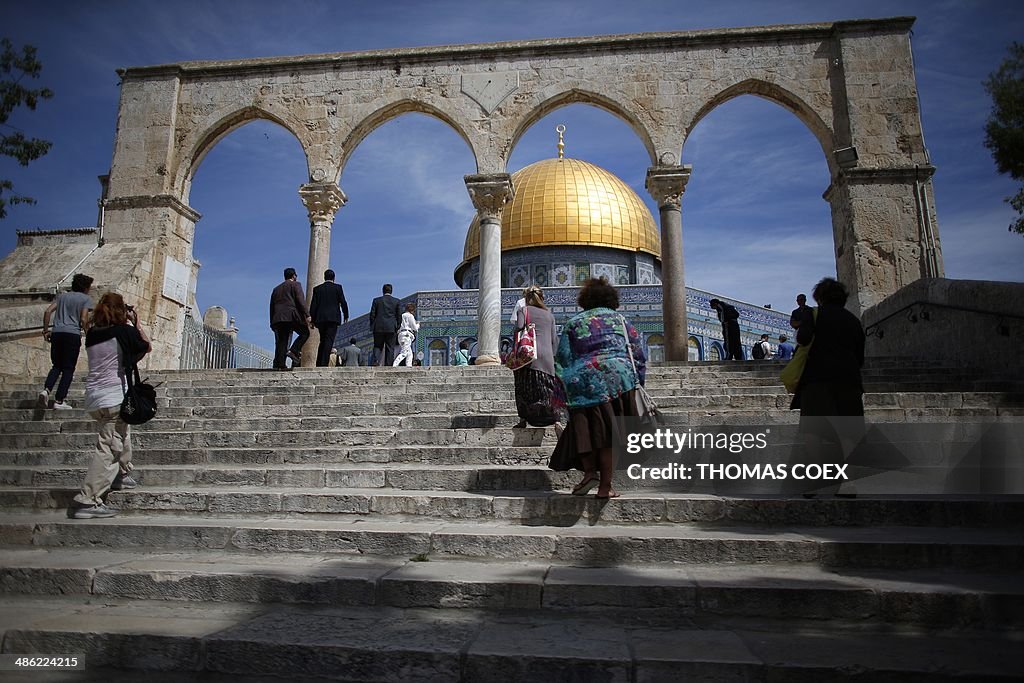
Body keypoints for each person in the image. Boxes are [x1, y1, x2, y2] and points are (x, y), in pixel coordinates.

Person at [550, 278, 645, 500]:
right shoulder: (621, 321)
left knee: (585, 431)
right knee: (610, 435)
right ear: (612, 299)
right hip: (617, 381)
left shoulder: (574, 323)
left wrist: (559, 394)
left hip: (582, 383)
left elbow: (562, 358)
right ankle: (605, 487)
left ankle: (590, 472)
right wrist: (637, 383)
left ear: (585, 300)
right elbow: (638, 355)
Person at [69, 292, 151, 519]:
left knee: (121, 433)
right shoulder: (125, 332)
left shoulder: (93, 334)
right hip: (113, 396)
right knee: (108, 447)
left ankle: (122, 474)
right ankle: (88, 499)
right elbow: (145, 346)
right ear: (121, 311)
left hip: (94, 397)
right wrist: (137, 323)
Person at [791, 278, 866, 497]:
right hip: (849, 379)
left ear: (819, 297)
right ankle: (848, 482)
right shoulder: (854, 321)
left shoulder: (814, 315)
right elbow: (860, 355)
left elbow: (803, 339)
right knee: (849, 432)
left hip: (817, 379)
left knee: (813, 430)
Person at [39, 273, 94, 410]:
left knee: (57, 365)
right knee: (68, 368)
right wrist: (89, 335)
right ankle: (59, 400)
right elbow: (83, 319)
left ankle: (46, 390)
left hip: (57, 333)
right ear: (86, 287)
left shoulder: (62, 296)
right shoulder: (86, 299)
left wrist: (46, 331)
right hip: (72, 335)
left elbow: (47, 312)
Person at [512, 285, 560, 429]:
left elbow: (519, 327)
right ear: (542, 298)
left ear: (526, 298)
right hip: (547, 358)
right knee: (547, 390)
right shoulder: (549, 314)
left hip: (529, 357)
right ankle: (556, 421)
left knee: (524, 388)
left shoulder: (523, 310)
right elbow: (554, 339)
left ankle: (523, 420)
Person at [269, 267, 311, 369]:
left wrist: (272, 322)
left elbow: (271, 306)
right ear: (294, 276)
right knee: (305, 332)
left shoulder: (276, 289)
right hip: (291, 316)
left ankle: (280, 363)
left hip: (278, 318)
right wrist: (307, 315)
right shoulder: (296, 285)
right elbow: (300, 301)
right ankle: (294, 350)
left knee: (282, 341)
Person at [309, 268, 349, 367]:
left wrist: (312, 320)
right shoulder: (338, 288)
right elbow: (343, 302)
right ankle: (323, 363)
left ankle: (319, 362)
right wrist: (346, 315)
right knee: (329, 340)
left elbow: (313, 306)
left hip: (321, 319)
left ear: (324, 277)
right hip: (333, 318)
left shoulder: (317, 289)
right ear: (334, 278)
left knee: (323, 340)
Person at [369, 284, 402, 366]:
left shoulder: (376, 300)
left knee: (377, 346)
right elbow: (399, 316)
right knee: (390, 347)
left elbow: (372, 315)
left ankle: (375, 361)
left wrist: (373, 325)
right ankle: (388, 364)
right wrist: (397, 327)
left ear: (383, 291)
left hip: (378, 327)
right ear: (391, 291)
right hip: (391, 328)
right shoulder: (396, 301)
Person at [393, 303, 420, 367]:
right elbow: (415, 328)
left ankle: (409, 366)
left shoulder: (401, 316)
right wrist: (418, 324)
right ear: (412, 310)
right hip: (407, 336)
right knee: (404, 353)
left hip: (401, 335)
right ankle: (395, 365)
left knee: (410, 354)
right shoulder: (410, 316)